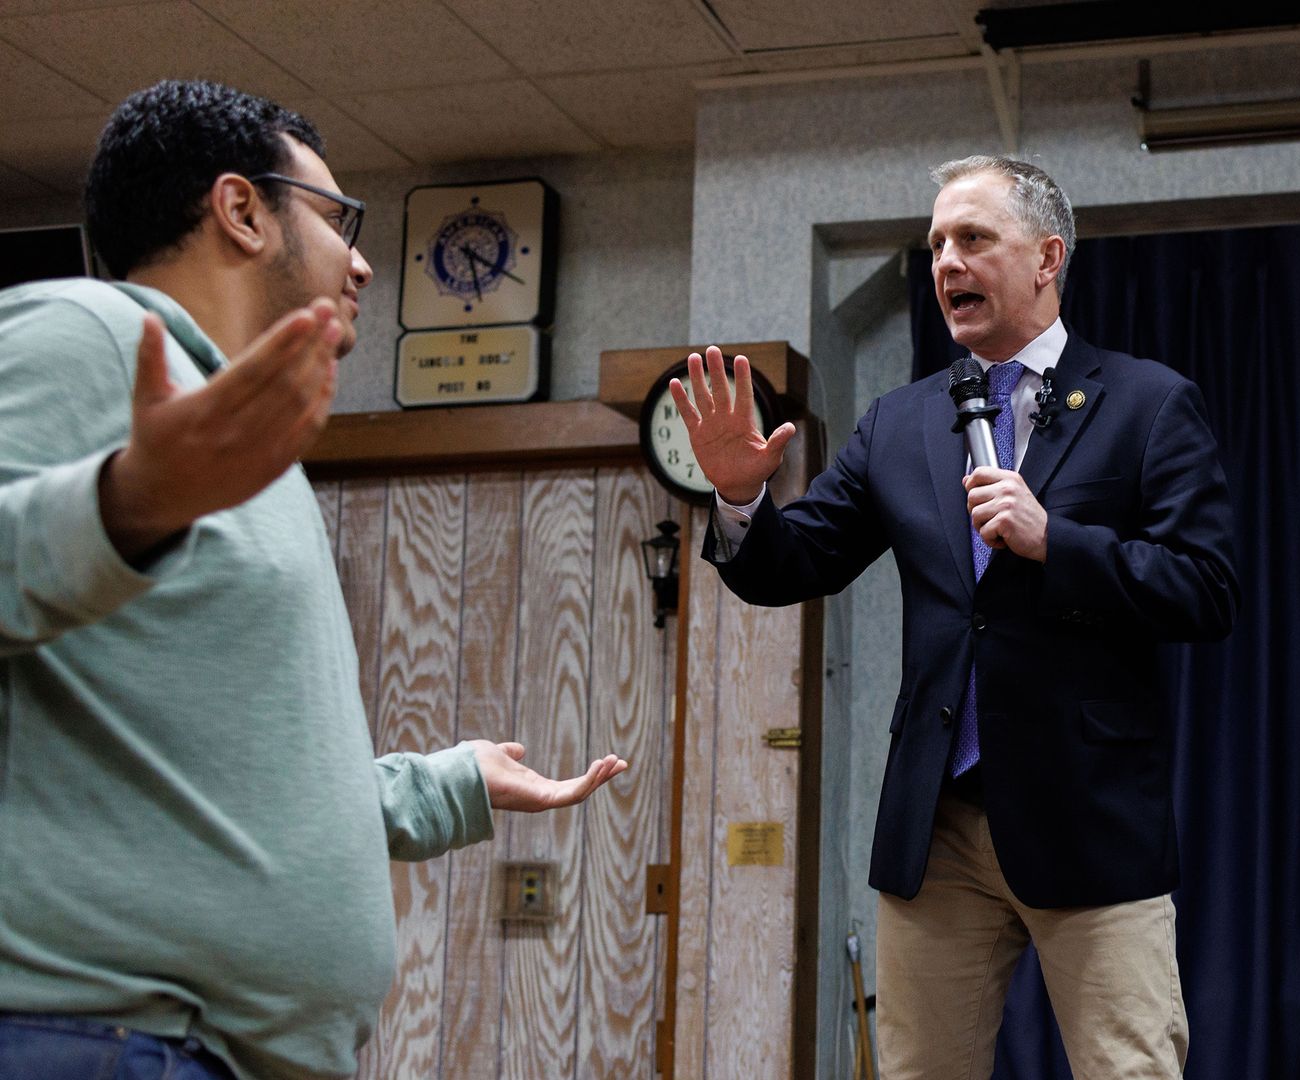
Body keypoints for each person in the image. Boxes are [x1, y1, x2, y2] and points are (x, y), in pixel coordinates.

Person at [0, 80, 627, 1080]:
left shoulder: (239, 447)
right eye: (343, 220)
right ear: (243, 211)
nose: (366, 262)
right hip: (98, 1040)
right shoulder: (85, 333)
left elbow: (225, 782)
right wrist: (125, 502)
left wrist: (446, 783)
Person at [672, 155, 1237, 1078]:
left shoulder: (1148, 404)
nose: (946, 262)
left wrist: (1059, 540)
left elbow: (1207, 587)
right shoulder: (899, 423)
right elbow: (793, 562)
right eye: (936, 243)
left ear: (1048, 256)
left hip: (1088, 822)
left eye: (973, 238)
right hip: (938, 828)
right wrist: (740, 500)